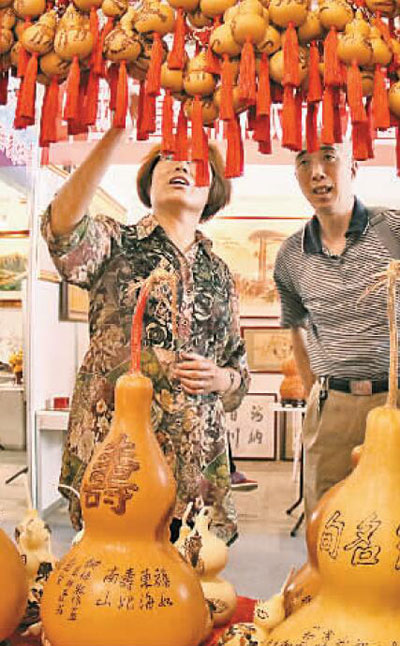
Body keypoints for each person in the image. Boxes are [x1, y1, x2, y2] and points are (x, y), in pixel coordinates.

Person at [42, 127, 250, 545]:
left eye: (197, 162)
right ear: (148, 179)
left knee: (188, 573)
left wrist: (220, 378)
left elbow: (238, 370)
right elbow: (63, 232)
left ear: (213, 189)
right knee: (114, 568)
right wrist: (116, 132)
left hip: (195, 466)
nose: (181, 165)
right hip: (117, 456)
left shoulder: (220, 273)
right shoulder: (114, 243)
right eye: (168, 157)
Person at [273, 142, 400, 518]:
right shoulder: (291, 256)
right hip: (333, 405)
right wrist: (317, 393)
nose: (317, 172)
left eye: (329, 157)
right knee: (326, 518)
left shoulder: (392, 229)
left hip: (395, 400)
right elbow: (296, 329)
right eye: (304, 162)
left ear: (353, 168)